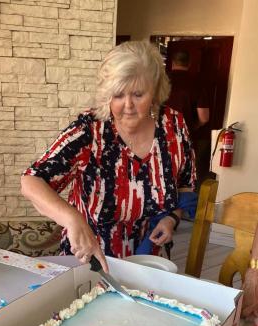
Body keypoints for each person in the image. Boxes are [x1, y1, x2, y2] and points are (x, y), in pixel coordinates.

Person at [21, 41, 195, 272]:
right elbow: (31, 180)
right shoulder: (89, 130)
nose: (128, 105)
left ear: (155, 91)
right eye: (118, 95)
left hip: (148, 259)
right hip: (92, 259)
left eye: (138, 94)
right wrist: (73, 220)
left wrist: (171, 218)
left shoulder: (174, 126)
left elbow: (185, 184)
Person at [166, 50, 211, 189]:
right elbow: (204, 118)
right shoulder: (196, 83)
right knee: (183, 172)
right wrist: (194, 126)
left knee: (160, 167)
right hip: (185, 135)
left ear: (172, 63)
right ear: (189, 63)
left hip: (159, 133)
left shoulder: (160, 81)